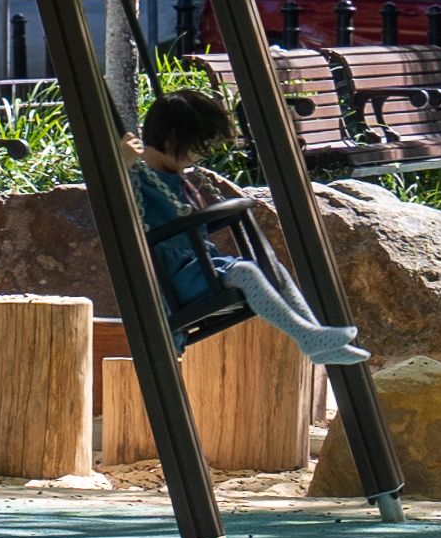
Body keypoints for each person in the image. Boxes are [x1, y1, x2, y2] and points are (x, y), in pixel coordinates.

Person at [127, 90, 371, 365]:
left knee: (272, 267)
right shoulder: (137, 178)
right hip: (177, 278)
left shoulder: (177, 177)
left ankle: (315, 335)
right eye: (196, 148)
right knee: (245, 271)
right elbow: (116, 193)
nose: (197, 158)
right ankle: (308, 337)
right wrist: (123, 160)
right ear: (172, 140)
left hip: (200, 267)